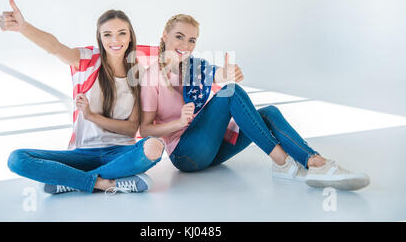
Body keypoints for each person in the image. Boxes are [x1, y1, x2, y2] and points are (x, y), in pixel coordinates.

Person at [139, 14, 370, 191]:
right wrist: (178, 122)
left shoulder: (194, 66)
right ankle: (281, 161)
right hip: (186, 155)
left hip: (211, 149)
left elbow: (216, 74)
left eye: (191, 40)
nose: (185, 45)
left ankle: (314, 161)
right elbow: (146, 128)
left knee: (268, 113)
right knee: (231, 93)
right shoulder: (152, 76)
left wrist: (228, 72)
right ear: (164, 36)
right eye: (179, 36)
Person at [2, 0, 164, 194]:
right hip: (82, 154)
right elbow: (55, 47)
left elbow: (131, 129)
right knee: (17, 159)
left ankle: (71, 180)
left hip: (120, 152)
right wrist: (24, 27)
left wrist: (91, 116)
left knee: (155, 146)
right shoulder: (87, 60)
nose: (115, 40)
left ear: (130, 36)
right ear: (100, 38)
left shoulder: (139, 73)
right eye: (108, 35)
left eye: (122, 33)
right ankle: (104, 183)